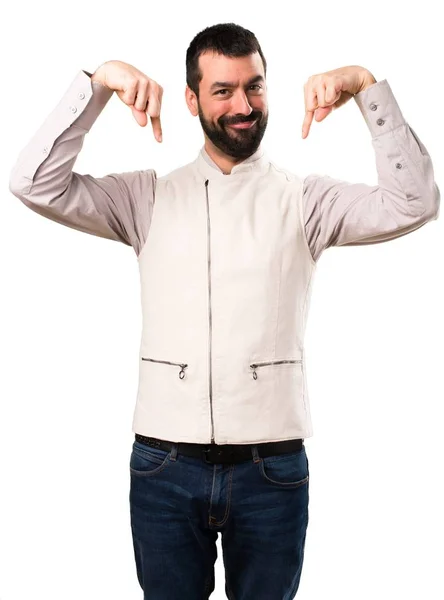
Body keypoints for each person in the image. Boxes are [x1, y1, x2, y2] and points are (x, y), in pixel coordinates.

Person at [8, 21, 439, 600]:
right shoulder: (146, 197)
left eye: (254, 87)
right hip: (163, 467)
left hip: (273, 470)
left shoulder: (304, 200)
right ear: (191, 99)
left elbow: (415, 202)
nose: (244, 105)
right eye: (223, 90)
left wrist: (366, 88)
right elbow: (34, 183)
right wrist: (98, 85)